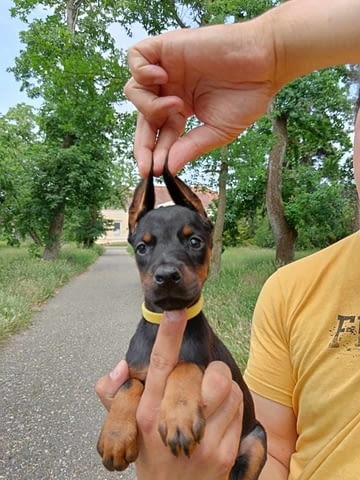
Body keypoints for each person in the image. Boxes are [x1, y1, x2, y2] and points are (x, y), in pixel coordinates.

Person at [96, 0, 360, 478]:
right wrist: (268, 50)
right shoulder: (291, 292)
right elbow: (274, 454)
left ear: (210, 241)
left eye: (191, 244)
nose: (167, 266)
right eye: (146, 248)